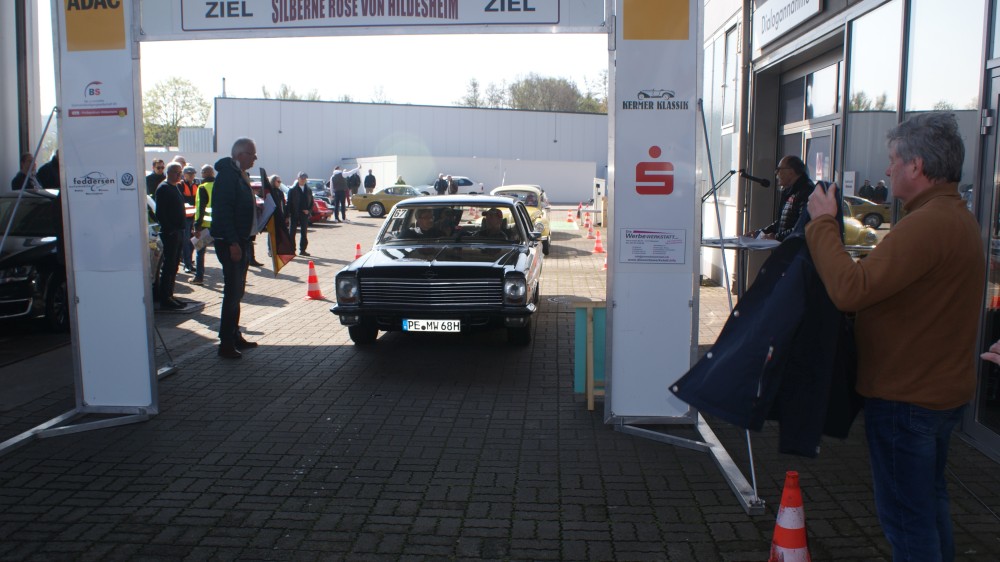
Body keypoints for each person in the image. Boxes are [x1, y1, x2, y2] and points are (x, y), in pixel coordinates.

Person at [805, 112, 984, 561]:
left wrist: (823, 223)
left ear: (916, 166)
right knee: (929, 508)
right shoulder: (956, 217)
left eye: (892, 160)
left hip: (907, 399)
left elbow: (851, 289)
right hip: (936, 395)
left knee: (908, 522)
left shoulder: (926, 225)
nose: (886, 170)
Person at [210, 138, 260, 359]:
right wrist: (233, 243)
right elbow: (224, 211)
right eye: (252, 154)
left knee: (237, 292)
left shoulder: (240, 175)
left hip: (242, 240)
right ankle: (226, 343)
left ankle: (234, 334)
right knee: (232, 293)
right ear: (240, 155)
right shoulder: (228, 176)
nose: (255, 158)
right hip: (232, 242)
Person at [755, 155, 814, 241]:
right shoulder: (788, 190)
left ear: (791, 172)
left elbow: (803, 227)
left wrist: (776, 237)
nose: (776, 173)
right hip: (786, 244)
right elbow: (781, 223)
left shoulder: (806, 191)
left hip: (797, 247)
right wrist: (759, 233)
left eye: (779, 169)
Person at [154, 162, 187, 311]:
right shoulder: (163, 188)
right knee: (168, 266)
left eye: (180, 172)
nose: (179, 175)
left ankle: (170, 295)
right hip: (170, 233)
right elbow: (160, 213)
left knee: (174, 265)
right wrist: (170, 229)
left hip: (179, 231)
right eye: (176, 172)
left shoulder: (175, 187)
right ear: (168, 173)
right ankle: (165, 298)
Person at [191, 164, 215, 285]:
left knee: (200, 251)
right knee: (222, 252)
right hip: (219, 224)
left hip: (205, 226)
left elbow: (200, 208)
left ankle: (199, 277)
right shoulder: (219, 185)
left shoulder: (202, 187)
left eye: (202, 172)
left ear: (205, 173)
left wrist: (197, 226)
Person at [179, 166, 199, 273]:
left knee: (193, 242)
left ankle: (189, 263)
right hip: (185, 218)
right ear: (184, 174)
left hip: (194, 218)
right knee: (186, 242)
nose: (191, 175)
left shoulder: (197, 185)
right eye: (189, 173)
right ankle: (187, 264)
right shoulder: (180, 185)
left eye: (193, 173)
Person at [287, 172, 313, 256]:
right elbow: (289, 203)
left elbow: (311, 202)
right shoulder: (292, 190)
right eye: (301, 178)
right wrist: (288, 214)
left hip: (304, 214)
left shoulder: (308, 190)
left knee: (304, 232)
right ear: (298, 178)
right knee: (292, 232)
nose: (303, 180)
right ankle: (291, 250)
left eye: (305, 178)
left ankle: (303, 250)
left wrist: (308, 211)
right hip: (294, 213)